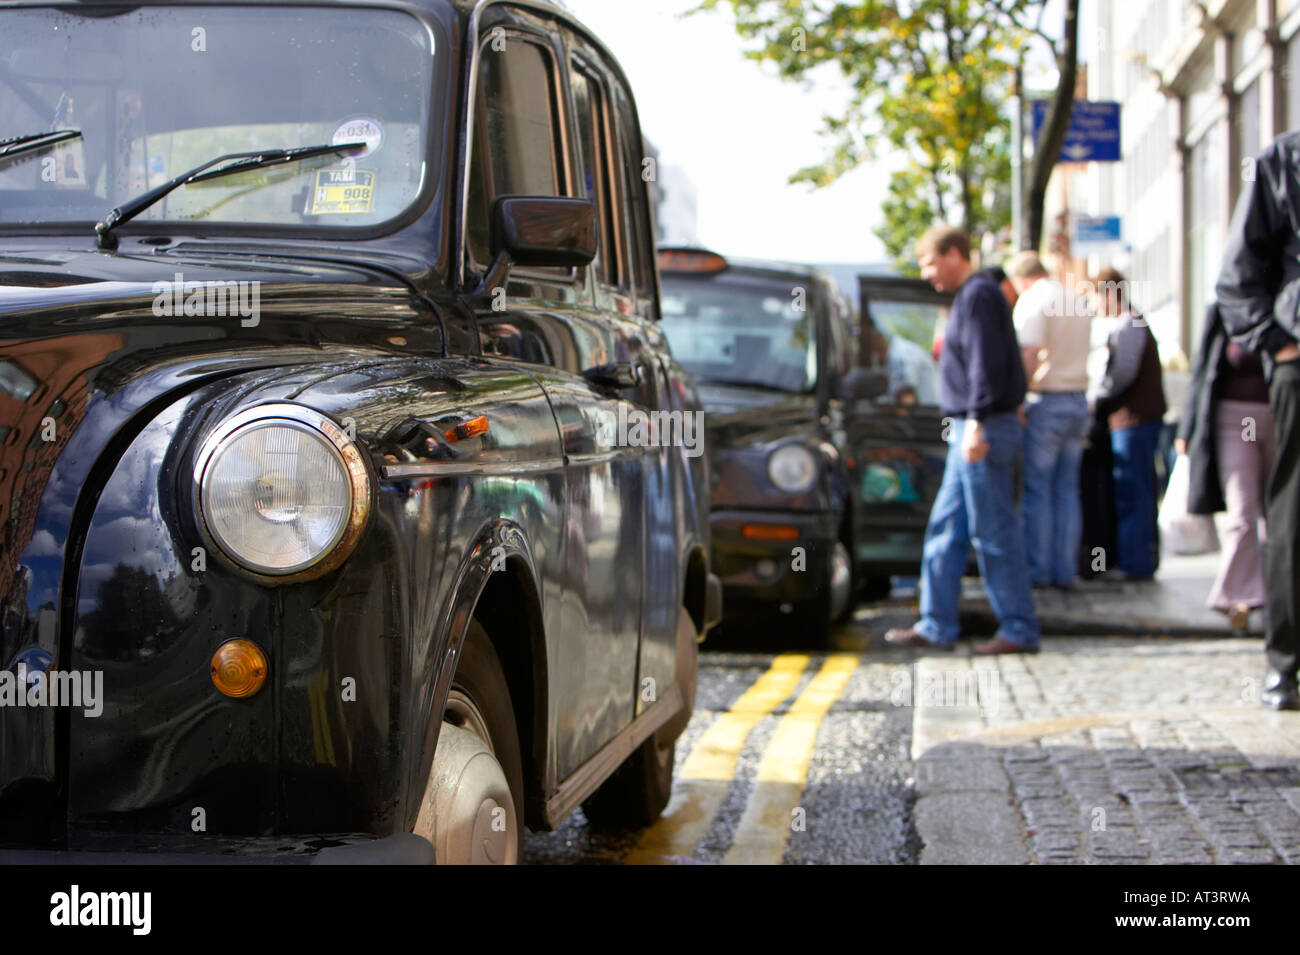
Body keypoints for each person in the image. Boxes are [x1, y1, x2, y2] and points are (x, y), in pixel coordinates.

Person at [884, 226, 1040, 654]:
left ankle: (1019, 629)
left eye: (931, 263)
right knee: (947, 528)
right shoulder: (977, 295)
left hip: (979, 428)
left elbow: (985, 364)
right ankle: (937, 623)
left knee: (993, 530)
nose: (928, 274)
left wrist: (978, 421)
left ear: (955, 255)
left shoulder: (977, 295)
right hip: (971, 428)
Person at [1215, 130, 1300, 710]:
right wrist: (1280, 344)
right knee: (1293, 513)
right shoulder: (1285, 158)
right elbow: (1238, 273)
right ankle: (1289, 664)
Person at [1176, 303, 1276, 632]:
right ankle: (1238, 596)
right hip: (1234, 420)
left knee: (1278, 516)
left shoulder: (1288, 302)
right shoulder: (1223, 309)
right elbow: (1202, 371)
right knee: (1243, 512)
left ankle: (1277, 593)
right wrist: (1187, 428)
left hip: (1282, 417)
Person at [1005, 252, 1093, 590]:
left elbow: (1029, 352)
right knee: (1067, 490)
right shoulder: (1075, 299)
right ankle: (1064, 569)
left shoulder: (1034, 300)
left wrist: (1018, 398)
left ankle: (1038, 570)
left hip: (1047, 399)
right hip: (1077, 398)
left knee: (1037, 490)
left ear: (1021, 278)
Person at [1088, 268, 1166, 581]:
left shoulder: (1129, 323)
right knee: (1134, 490)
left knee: (1133, 491)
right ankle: (1134, 560)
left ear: (1108, 293)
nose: (1094, 306)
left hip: (1134, 421)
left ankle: (1134, 564)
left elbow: (1121, 375)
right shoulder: (1127, 323)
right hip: (1130, 420)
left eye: (1095, 297)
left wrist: (1096, 399)